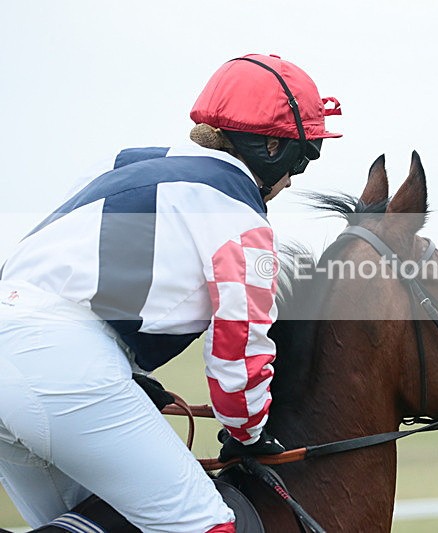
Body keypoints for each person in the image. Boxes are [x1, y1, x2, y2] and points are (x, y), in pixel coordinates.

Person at [0, 53, 341, 532]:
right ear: (271, 148)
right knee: (206, 525)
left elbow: (66, 275)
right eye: (301, 160)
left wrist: (128, 370)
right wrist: (247, 431)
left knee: (104, 521)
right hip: (64, 367)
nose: (291, 180)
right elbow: (238, 349)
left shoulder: (121, 163)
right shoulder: (243, 218)